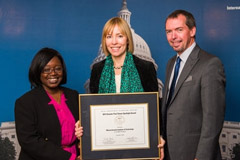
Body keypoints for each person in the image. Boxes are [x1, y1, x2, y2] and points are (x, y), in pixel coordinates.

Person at [75, 17, 164, 159]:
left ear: (128, 39)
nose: (114, 42)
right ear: (104, 40)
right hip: (106, 147)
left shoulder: (145, 68)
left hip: (138, 146)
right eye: (109, 37)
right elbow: (93, 108)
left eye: (120, 36)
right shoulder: (97, 70)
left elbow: (155, 108)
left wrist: (159, 137)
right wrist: (83, 124)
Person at [161, 10, 226, 160]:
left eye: (179, 30)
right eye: (168, 31)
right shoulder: (171, 64)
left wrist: (202, 157)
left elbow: (213, 118)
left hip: (194, 154)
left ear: (192, 30)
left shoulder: (210, 64)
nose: (173, 37)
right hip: (170, 152)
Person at [15, 48, 81, 160]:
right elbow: (29, 141)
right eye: (46, 70)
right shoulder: (25, 102)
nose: (53, 73)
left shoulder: (73, 95)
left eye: (58, 69)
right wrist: (69, 158)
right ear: (38, 71)